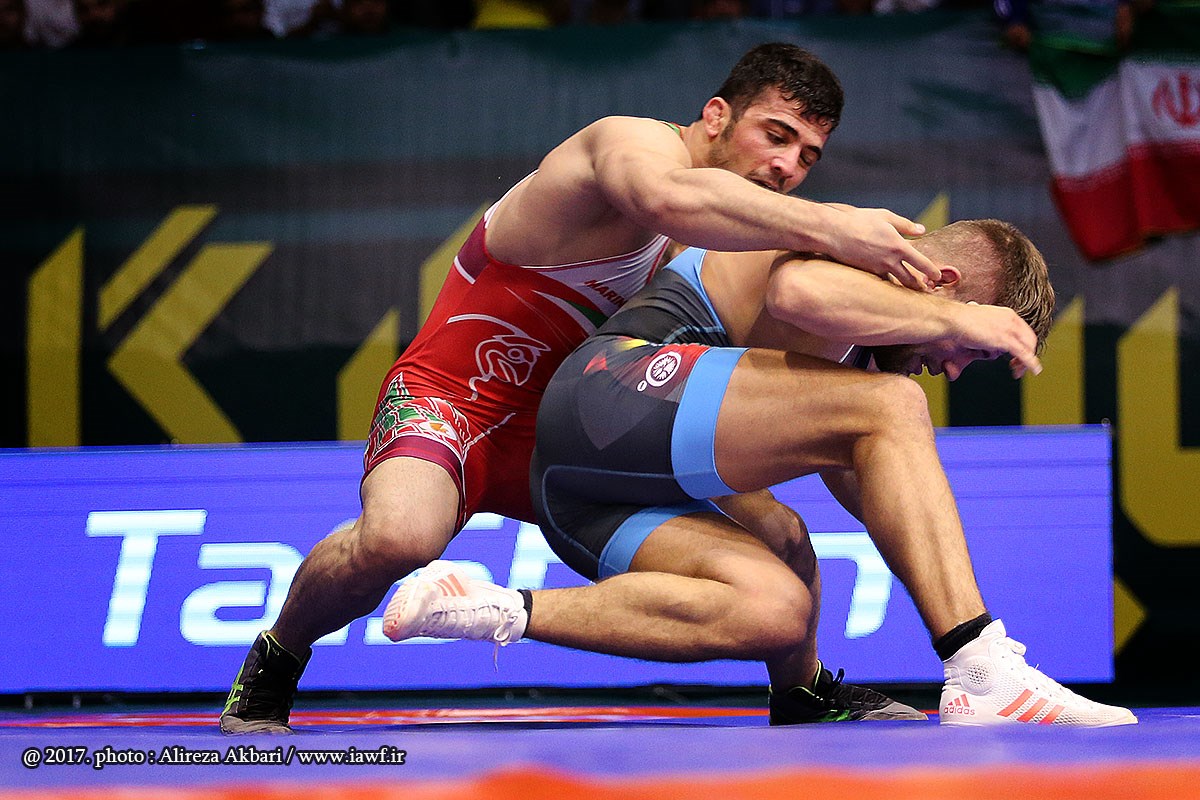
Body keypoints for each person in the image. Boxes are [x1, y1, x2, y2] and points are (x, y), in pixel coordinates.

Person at [219, 42, 945, 733]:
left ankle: (802, 690)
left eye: (808, 156)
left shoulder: (732, 242)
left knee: (782, 534)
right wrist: (834, 228)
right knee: (398, 538)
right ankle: (279, 654)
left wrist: (896, 493)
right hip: (457, 398)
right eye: (775, 136)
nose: (786, 166)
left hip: (581, 429)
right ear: (717, 115)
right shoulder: (628, 144)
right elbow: (665, 196)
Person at [382, 219, 1138, 727]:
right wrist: (953, 321)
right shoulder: (860, 248)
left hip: (582, 500)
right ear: (941, 283)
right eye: (971, 349)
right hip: (602, 398)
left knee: (778, 598)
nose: (953, 366)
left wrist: (934, 548)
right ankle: (979, 669)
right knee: (896, 405)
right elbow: (794, 292)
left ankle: (483, 607)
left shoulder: (862, 366)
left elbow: (878, 492)